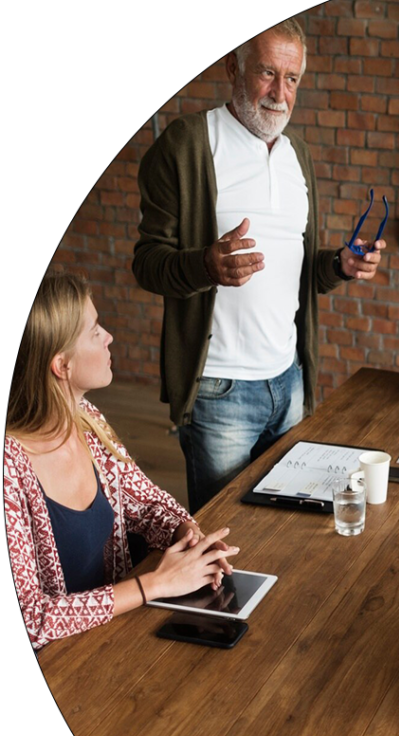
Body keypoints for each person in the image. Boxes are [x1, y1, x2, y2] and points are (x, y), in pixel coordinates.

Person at [132, 18, 385, 514]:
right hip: (218, 390)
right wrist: (206, 266)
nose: (279, 94)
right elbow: (146, 264)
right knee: (226, 534)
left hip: (289, 382)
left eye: (291, 79)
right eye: (267, 73)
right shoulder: (188, 143)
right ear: (233, 66)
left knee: (288, 526)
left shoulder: (297, 155)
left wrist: (339, 265)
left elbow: (299, 272)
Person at [5, 271, 240, 652]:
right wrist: (156, 584)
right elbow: (31, 618)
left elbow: (146, 504)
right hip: (60, 660)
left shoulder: (88, 420)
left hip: (113, 636)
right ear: (61, 365)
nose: (109, 337)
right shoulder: (9, 468)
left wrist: (189, 538)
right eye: (95, 331)